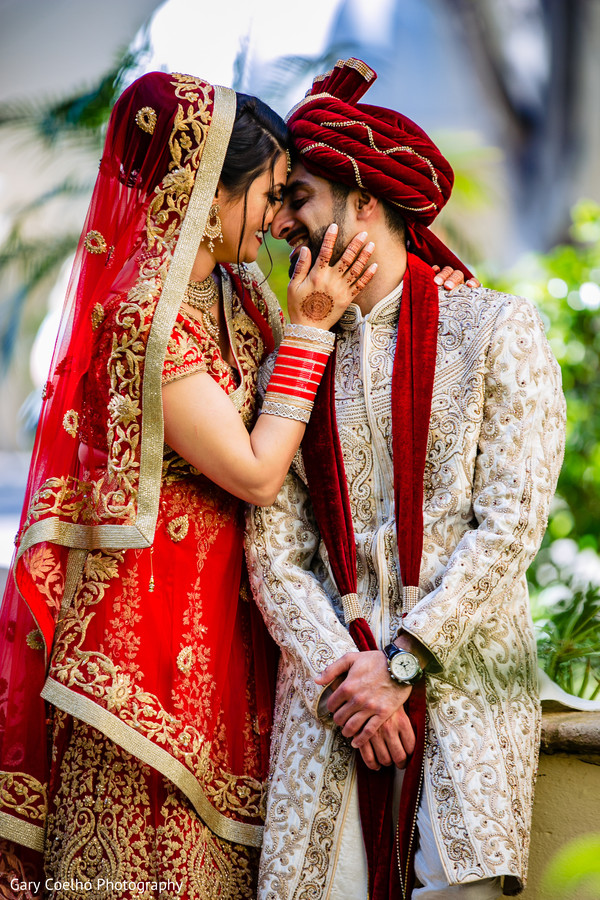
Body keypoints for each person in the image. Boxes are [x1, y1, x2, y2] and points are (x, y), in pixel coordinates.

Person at [0, 70, 380, 899]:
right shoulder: (147, 311)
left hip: (226, 627)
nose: (283, 216)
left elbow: (311, 395)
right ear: (209, 186)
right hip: (144, 649)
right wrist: (310, 329)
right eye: (273, 193)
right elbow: (253, 469)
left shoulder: (236, 288)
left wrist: (411, 294)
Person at [245, 59, 566, 899]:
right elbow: (275, 550)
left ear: (362, 201)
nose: (282, 222)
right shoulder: (298, 351)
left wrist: (404, 660)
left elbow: (512, 520)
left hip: (462, 677)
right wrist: (350, 681)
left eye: (299, 196)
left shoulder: (494, 326)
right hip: (329, 700)